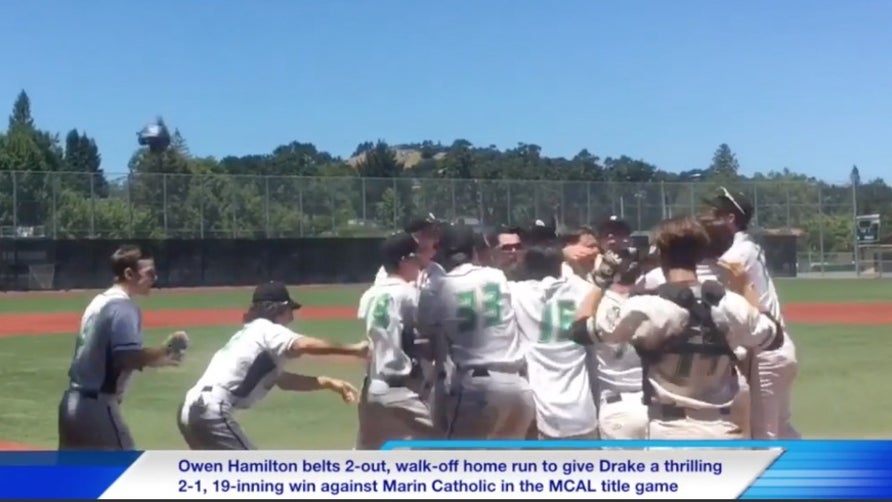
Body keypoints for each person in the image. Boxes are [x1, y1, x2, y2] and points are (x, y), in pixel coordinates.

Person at [574, 216, 784, 439]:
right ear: (699, 254)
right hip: (723, 430)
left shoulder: (646, 307)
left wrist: (601, 281)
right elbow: (775, 336)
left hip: (670, 430)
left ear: (660, 255)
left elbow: (580, 331)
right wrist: (747, 290)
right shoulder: (730, 303)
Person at [177, 281, 366, 450]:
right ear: (277, 309)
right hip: (210, 412)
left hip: (191, 410)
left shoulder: (250, 334)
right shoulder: (266, 329)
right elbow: (303, 344)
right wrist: (354, 349)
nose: (292, 317)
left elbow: (281, 380)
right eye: (289, 310)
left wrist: (327, 382)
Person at [58, 245, 189, 450]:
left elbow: (108, 355)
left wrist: (155, 359)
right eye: (149, 273)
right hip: (97, 408)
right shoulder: (124, 307)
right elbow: (126, 357)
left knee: (72, 479)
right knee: (127, 474)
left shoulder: (99, 302)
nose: (154, 278)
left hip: (72, 405)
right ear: (129, 274)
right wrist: (164, 350)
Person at [418, 223, 535, 439]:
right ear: (473, 251)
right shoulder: (497, 277)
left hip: (477, 389)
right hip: (519, 388)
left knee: (461, 467)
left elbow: (426, 339)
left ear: (442, 253)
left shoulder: (436, 288)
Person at [706, 187, 799, 440]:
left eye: (715, 214)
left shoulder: (736, 253)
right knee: (780, 428)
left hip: (766, 351)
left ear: (730, 219)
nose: (708, 219)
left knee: (764, 435)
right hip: (775, 348)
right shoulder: (748, 245)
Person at [355, 233, 435, 449]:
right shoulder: (410, 295)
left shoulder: (370, 294)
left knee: (369, 456)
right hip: (402, 390)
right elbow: (424, 337)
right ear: (403, 261)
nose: (419, 263)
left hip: (372, 388)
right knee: (448, 442)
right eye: (415, 258)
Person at [511, 242, 599, 440]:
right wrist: (565, 257)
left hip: (542, 410)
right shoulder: (583, 290)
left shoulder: (517, 293)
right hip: (581, 409)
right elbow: (593, 287)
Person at [586, 216, 649, 440]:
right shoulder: (589, 277)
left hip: (645, 390)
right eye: (607, 234)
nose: (613, 239)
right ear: (600, 240)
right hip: (608, 388)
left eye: (619, 233)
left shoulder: (646, 275)